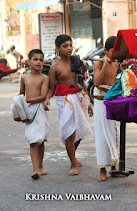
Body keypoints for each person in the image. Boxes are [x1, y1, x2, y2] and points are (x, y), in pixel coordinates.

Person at [45, 34, 93, 176]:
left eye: (70, 45)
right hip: (63, 100)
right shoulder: (55, 67)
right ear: (58, 48)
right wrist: (47, 99)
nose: (69, 48)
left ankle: (73, 156)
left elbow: (82, 82)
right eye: (65, 46)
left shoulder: (76, 61)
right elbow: (50, 87)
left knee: (79, 130)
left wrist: (88, 101)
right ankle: (73, 163)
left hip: (78, 97)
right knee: (69, 132)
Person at [16, 49, 50, 179]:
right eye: (35, 59)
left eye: (41, 60)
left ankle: (40, 166)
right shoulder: (24, 77)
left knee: (40, 140)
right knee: (32, 140)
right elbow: (21, 94)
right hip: (28, 111)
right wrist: (19, 109)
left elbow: (42, 96)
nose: (39, 62)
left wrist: (28, 100)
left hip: (39, 110)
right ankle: (35, 169)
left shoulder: (44, 78)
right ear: (29, 62)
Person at [93, 36, 120, 181]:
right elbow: (97, 83)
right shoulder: (99, 63)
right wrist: (104, 65)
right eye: (112, 51)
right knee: (102, 136)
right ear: (105, 51)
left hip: (112, 100)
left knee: (115, 133)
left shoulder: (116, 64)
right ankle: (102, 169)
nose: (114, 55)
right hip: (100, 102)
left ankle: (114, 165)